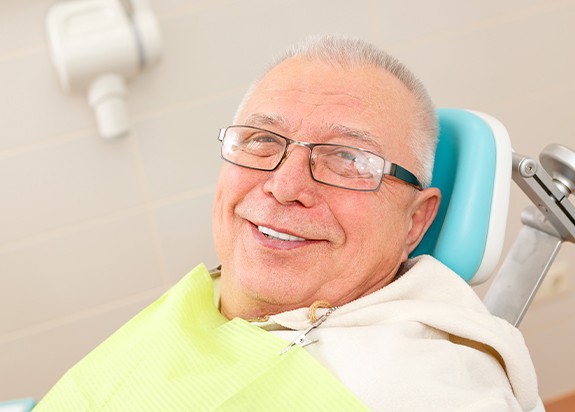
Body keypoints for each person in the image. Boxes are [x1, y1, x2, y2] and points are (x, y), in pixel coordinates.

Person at [35, 34, 538, 411]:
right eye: (261, 140)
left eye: (347, 158)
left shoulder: (428, 390)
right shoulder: (212, 294)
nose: (284, 185)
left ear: (415, 220)